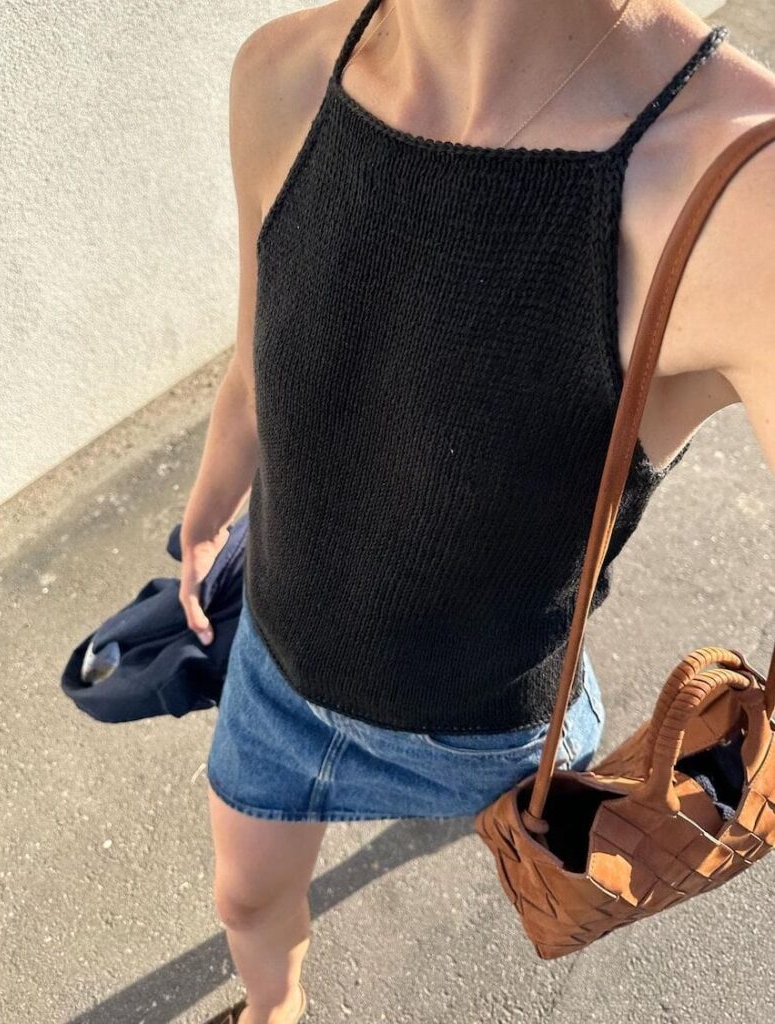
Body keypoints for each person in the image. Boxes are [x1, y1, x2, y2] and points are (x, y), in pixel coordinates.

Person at [178, 1, 775, 1021]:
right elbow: (252, 367)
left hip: (500, 734)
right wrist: (205, 514)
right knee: (243, 895)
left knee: (515, 845)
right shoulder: (284, 74)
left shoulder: (735, 192)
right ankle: (273, 1011)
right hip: (277, 679)